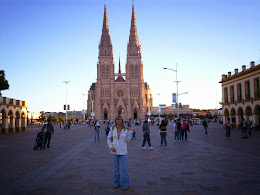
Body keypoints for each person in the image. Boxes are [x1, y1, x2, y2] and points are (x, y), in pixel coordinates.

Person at [107, 115, 133, 190]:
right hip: (114, 150)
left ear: (122, 121)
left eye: (120, 119)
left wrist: (130, 131)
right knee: (116, 168)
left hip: (123, 150)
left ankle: (126, 184)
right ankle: (116, 183)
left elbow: (128, 140)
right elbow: (108, 139)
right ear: (115, 121)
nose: (119, 121)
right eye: (117, 120)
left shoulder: (126, 130)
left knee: (124, 168)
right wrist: (111, 146)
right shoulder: (112, 129)